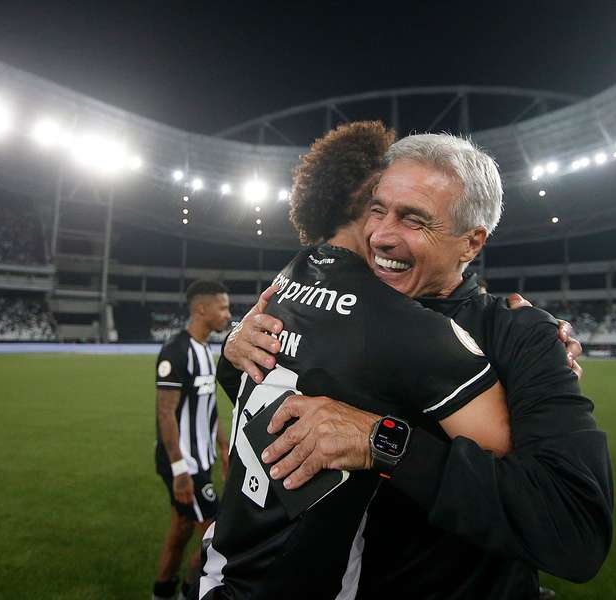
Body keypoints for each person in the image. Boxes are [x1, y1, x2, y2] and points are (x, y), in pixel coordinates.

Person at [224, 133, 614, 599]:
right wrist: (234, 349)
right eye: (377, 209)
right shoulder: (344, 306)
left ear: (471, 243)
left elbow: (573, 528)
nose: (381, 235)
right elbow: (271, 403)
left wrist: (382, 440)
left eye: (414, 220)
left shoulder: (520, 336)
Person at [198, 121, 511, 600]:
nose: (390, 230)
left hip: (219, 565)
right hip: (296, 585)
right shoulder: (408, 327)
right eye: (387, 204)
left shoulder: (285, 282)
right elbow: (501, 450)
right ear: (370, 200)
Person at [153, 280, 232, 600]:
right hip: (185, 463)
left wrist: (223, 447)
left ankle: (161, 592)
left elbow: (208, 405)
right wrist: (180, 469)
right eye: (222, 307)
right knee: (215, 542)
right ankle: (190, 594)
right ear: (201, 309)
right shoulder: (176, 349)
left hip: (201, 458)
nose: (228, 314)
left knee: (181, 531)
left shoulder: (205, 349)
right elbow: (165, 413)